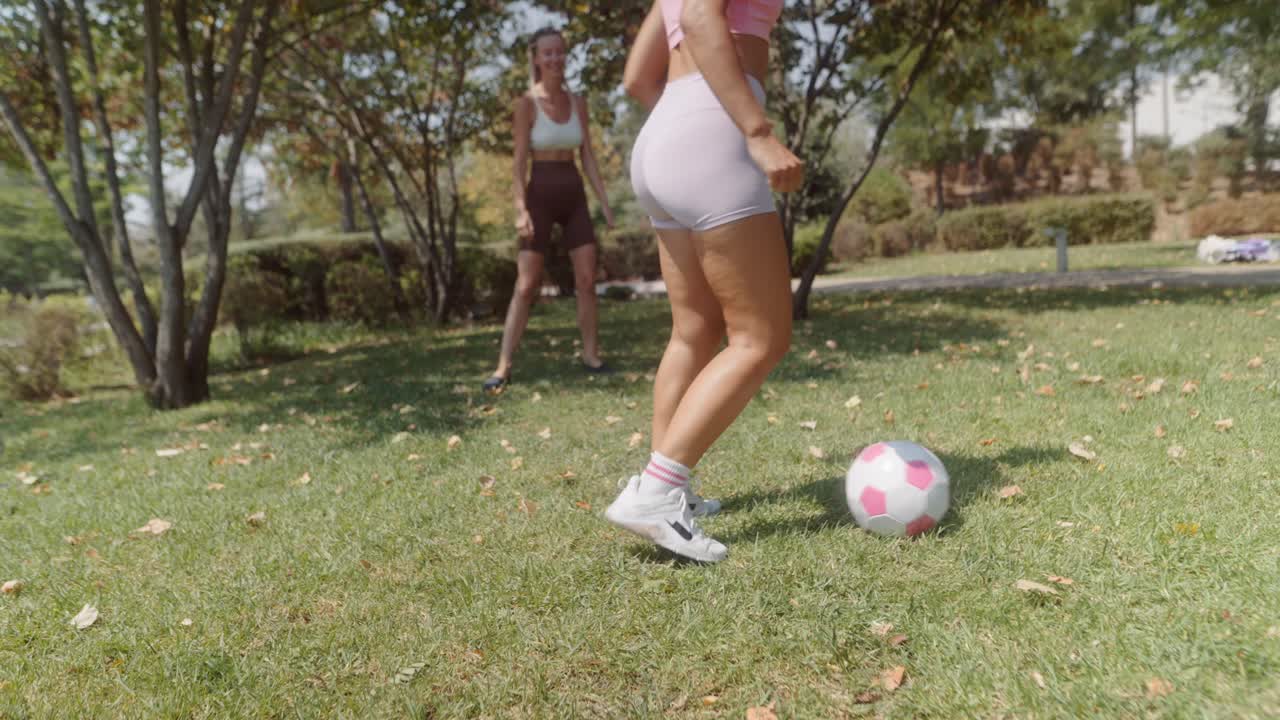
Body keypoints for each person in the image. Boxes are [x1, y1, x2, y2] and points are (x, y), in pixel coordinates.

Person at [605, 0, 801, 563]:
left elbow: (637, 78)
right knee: (761, 337)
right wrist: (755, 131)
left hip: (667, 129)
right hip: (715, 128)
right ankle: (658, 491)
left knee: (694, 330)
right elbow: (697, 17)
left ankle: (666, 487)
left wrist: (687, 122)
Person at [483, 27, 616, 393]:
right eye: (548, 53)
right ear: (536, 59)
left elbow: (587, 156)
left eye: (559, 51)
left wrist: (604, 202)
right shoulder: (526, 104)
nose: (555, 58)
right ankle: (503, 365)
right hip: (539, 194)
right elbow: (518, 163)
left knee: (586, 280)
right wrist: (520, 209)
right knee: (527, 284)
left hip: (573, 194)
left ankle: (591, 355)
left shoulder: (578, 103)